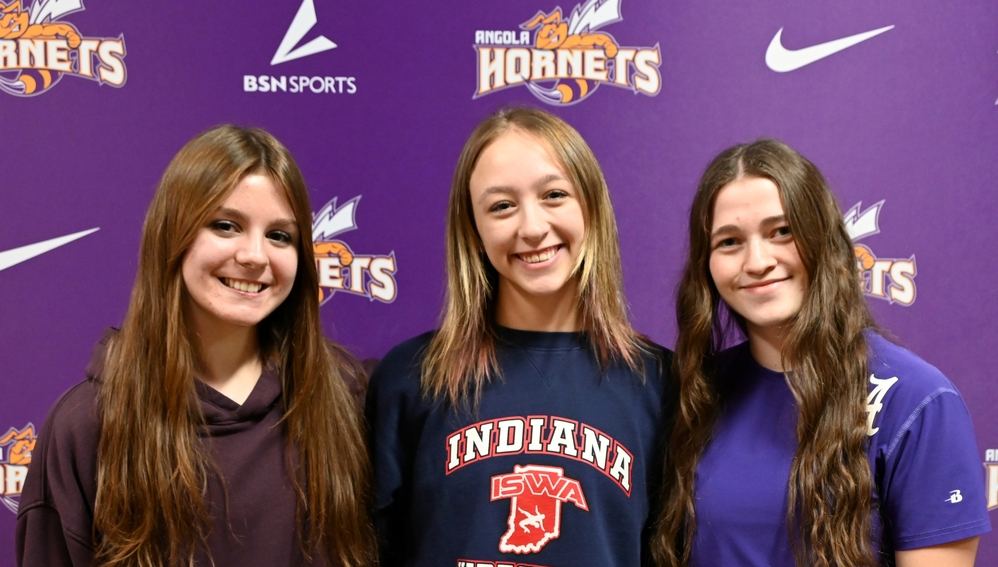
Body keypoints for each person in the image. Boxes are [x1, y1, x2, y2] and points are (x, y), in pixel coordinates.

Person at [16, 125, 376, 567]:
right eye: (226, 226)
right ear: (174, 236)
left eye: (280, 235)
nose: (255, 256)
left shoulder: (347, 398)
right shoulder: (87, 424)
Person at [652, 139, 991, 567]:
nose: (757, 261)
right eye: (730, 242)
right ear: (707, 266)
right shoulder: (696, 394)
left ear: (823, 239)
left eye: (782, 232)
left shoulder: (917, 401)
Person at [366, 107, 671, 567]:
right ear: (474, 230)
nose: (531, 227)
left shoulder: (659, 382)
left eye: (554, 195)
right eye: (502, 206)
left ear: (590, 205)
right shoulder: (411, 378)